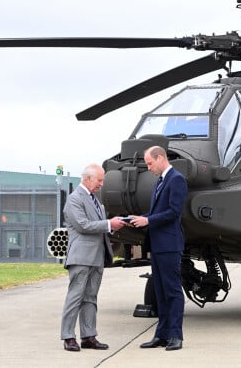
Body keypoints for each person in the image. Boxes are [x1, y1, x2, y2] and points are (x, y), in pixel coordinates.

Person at [60, 163, 127, 352]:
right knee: (75, 296)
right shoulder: (75, 199)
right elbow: (83, 225)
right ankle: (68, 336)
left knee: (90, 297)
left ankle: (89, 336)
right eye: (99, 180)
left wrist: (113, 227)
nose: (101, 184)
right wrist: (108, 224)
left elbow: (97, 226)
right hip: (81, 257)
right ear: (88, 178)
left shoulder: (94, 199)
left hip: (96, 257)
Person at [130, 146, 188, 351]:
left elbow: (173, 212)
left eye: (150, 163)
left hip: (169, 245)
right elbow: (158, 211)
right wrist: (140, 218)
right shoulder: (161, 182)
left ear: (160, 158)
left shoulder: (176, 180)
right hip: (158, 245)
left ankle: (175, 335)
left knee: (172, 291)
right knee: (161, 292)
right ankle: (161, 335)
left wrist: (148, 221)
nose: (148, 168)